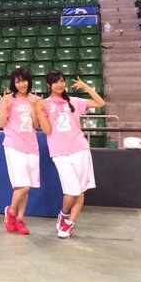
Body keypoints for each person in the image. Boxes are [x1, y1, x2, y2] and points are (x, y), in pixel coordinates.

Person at [37, 70, 106, 239]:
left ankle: (69, 223)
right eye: (55, 81)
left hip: (80, 149)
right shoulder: (45, 104)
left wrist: (85, 86)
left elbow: (100, 102)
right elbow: (47, 130)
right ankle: (64, 214)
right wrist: (39, 110)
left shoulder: (74, 101)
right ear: (49, 85)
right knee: (73, 190)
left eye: (61, 81)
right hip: (60, 152)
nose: (59, 84)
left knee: (80, 189)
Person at [0, 67, 41, 235]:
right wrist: (4, 106)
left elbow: (36, 125)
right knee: (23, 186)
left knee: (26, 187)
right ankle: (11, 212)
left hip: (32, 146)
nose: (21, 84)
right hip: (14, 145)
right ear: (13, 83)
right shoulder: (8, 99)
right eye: (18, 81)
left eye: (24, 80)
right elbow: (1, 123)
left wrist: (34, 107)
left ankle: (20, 220)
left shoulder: (35, 99)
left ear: (29, 81)